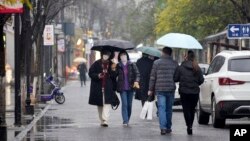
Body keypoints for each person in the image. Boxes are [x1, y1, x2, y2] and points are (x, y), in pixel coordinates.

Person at [148, 47, 178, 135]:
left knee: (161, 108)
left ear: (163, 53)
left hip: (160, 89)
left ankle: (163, 128)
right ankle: (168, 127)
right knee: (169, 109)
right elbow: (177, 77)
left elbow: (153, 77)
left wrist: (150, 89)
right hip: (170, 89)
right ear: (170, 53)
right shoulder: (175, 63)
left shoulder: (156, 63)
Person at [173, 50, 204, 135]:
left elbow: (175, 79)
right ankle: (190, 125)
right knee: (192, 109)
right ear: (194, 57)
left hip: (184, 92)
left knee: (186, 110)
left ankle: (189, 125)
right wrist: (195, 83)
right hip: (194, 92)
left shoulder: (181, 67)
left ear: (186, 57)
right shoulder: (197, 67)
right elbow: (201, 80)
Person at [88, 49, 117, 127]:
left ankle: (105, 120)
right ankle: (102, 120)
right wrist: (98, 75)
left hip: (108, 86)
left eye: (107, 55)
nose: (106, 56)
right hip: (98, 86)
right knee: (100, 104)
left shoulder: (112, 64)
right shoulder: (96, 63)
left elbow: (114, 76)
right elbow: (90, 73)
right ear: (101, 55)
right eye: (104, 54)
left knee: (107, 103)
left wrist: (114, 69)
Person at [116, 50, 140, 127]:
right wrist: (113, 69)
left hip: (131, 87)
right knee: (125, 104)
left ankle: (127, 119)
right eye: (121, 55)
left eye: (124, 55)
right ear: (119, 57)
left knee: (129, 105)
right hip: (122, 88)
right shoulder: (118, 65)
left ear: (127, 56)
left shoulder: (132, 64)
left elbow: (137, 74)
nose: (123, 56)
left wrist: (136, 81)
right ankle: (125, 120)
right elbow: (113, 76)